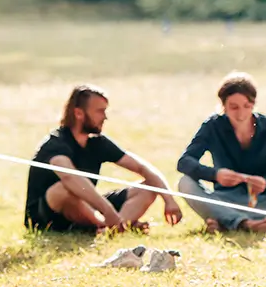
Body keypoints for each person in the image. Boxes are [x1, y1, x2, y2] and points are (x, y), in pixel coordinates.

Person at [24, 84, 183, 234]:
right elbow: (69, 177)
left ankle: (113, 228)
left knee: (149, 187)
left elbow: (142, 168)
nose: (105, 117)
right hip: (49, 217)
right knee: (63, 189)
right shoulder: (56, 144)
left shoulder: (97, 142)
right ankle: (108, 224)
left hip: (88, 210)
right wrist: (107, 211)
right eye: (100, 111)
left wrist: (169, 200)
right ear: (78, 113)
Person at [176, 72, 266, 234]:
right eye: (234, 107)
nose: (241, 114)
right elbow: (184, 162)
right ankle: (246, 222)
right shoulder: (212, 126)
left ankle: (228, 221)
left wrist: (265, 183)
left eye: (247, 106)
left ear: (254, 104)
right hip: (226, 199)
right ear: (223, 106)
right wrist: (215, 175)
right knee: (185, 182)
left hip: (263, 200)